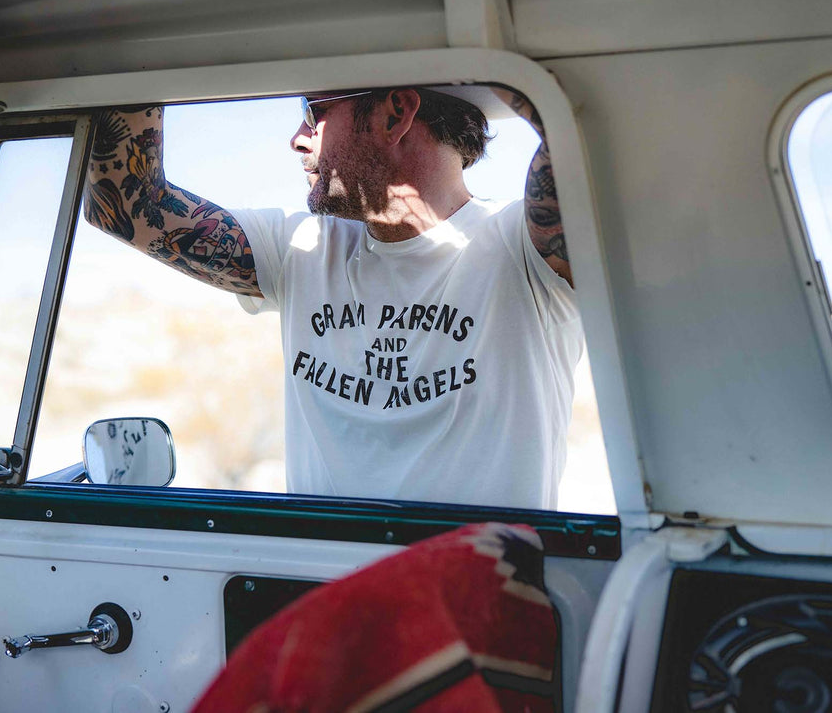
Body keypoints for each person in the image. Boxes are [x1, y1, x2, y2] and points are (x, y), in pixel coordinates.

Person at [84, 86, 582, 509]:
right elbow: (128, 205)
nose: (297, 139)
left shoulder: (522, 247)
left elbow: (576, 124)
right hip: (318, 595)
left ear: (395, 114)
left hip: (474, 607)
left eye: (312, 111)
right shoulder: (301, 248)